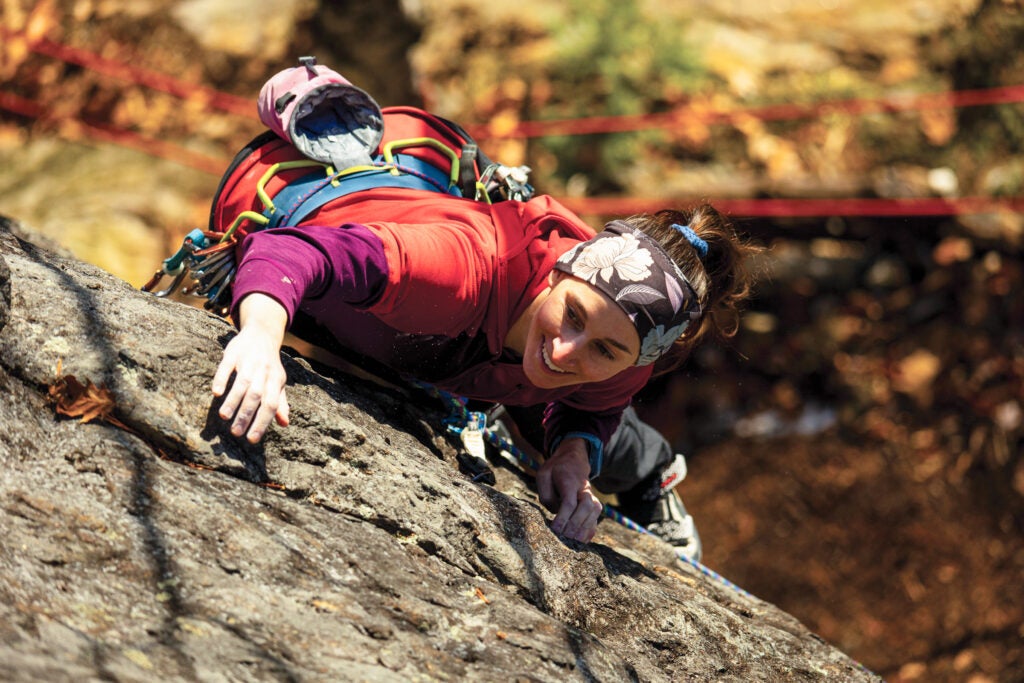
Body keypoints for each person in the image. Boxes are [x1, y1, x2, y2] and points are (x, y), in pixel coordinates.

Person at [210, 182, 757, 552]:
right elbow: (285, 252)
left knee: (572, 403)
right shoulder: (459, 272)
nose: (570, 348)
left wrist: (571, 455)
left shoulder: (627, 353)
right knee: (543, 380)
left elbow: (596, 406)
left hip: (475, 362)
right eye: (572, 315)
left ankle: (651, 478)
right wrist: (260, 338)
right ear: (557, 275)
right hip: (395, 303)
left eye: (607, 350)